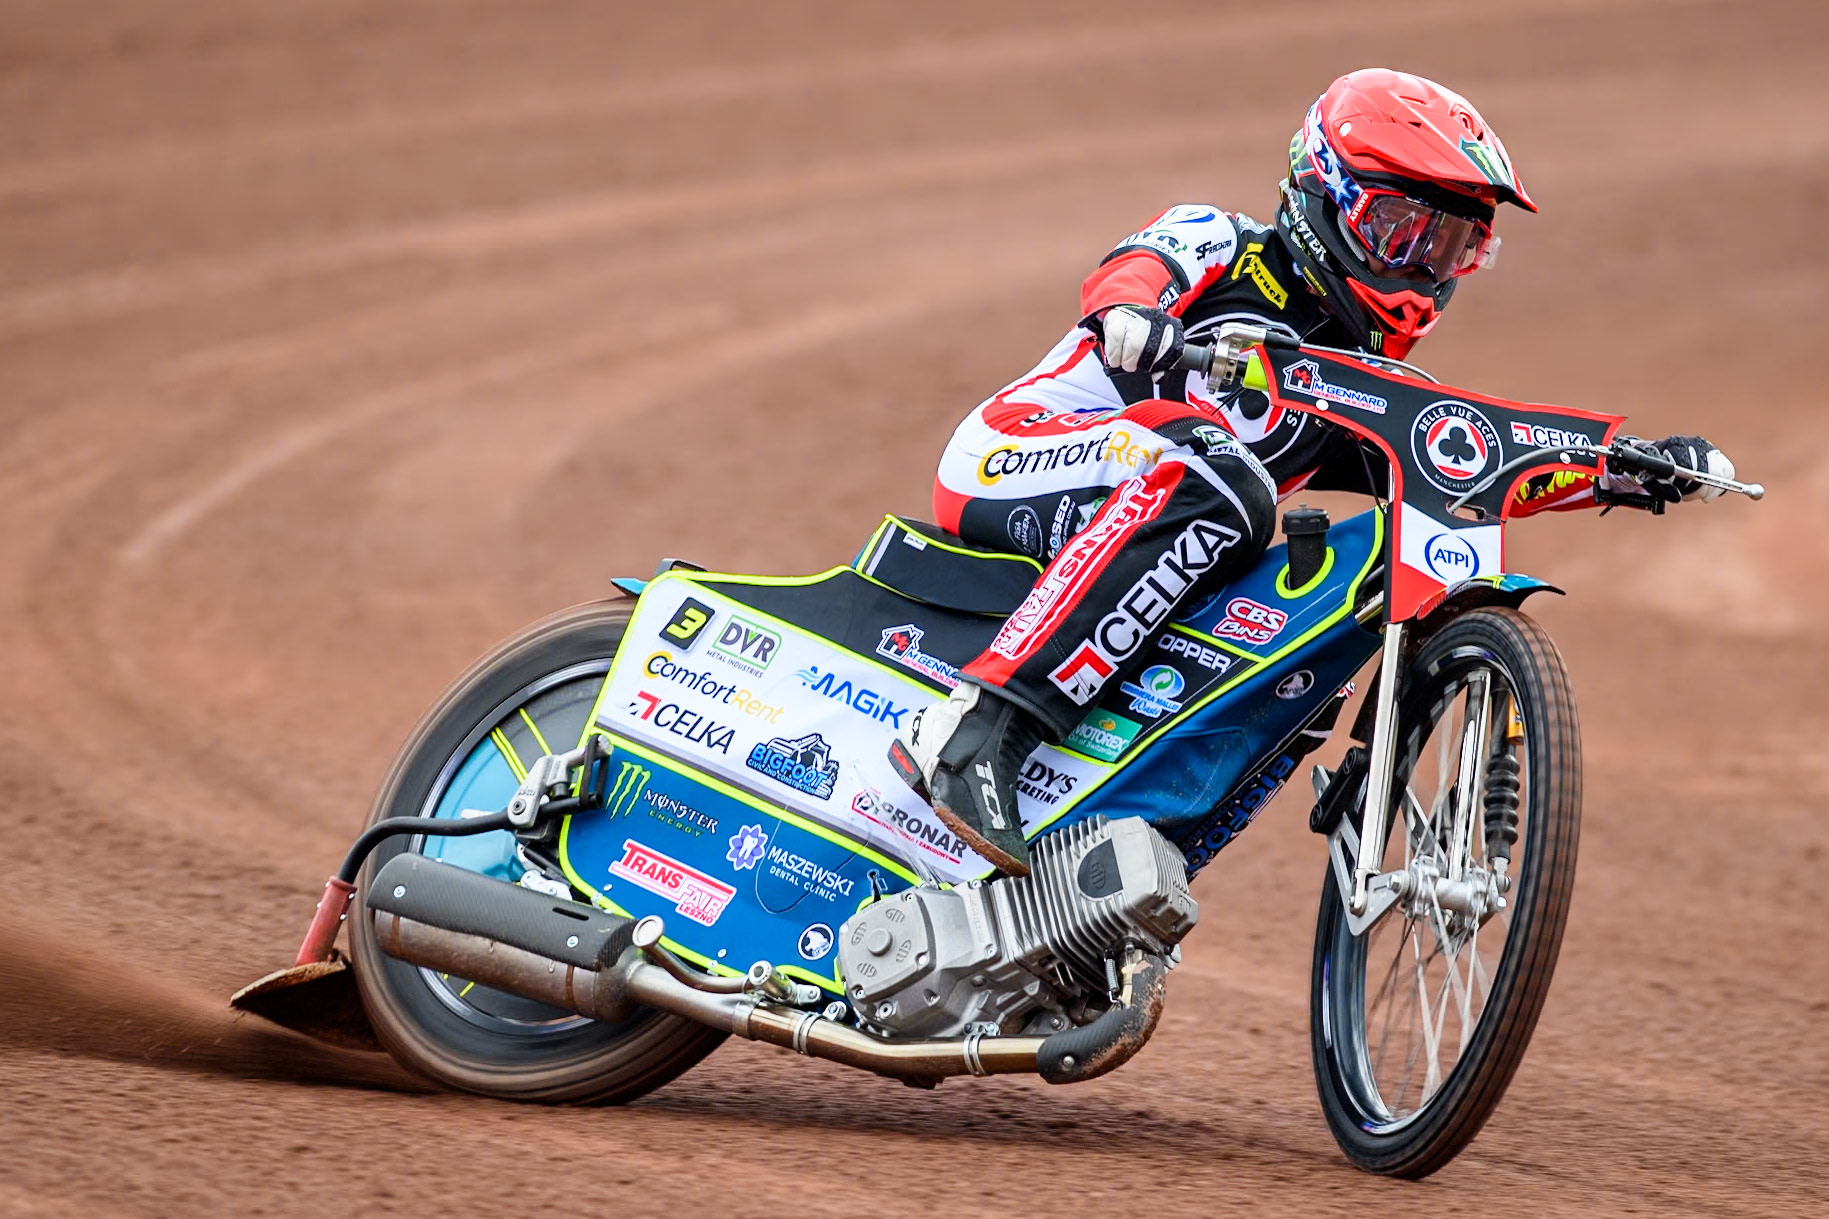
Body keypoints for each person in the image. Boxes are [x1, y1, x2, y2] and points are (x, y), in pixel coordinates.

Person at [888, 68, 1734, 878]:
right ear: (1321, 190)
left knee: (1308, 610)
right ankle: (970, 734)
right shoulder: (1221, 239)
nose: (1417, 268)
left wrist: (1615, 471)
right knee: (1219, 481)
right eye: (1400, 230)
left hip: (1165, 521)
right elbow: (1133, 267)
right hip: (1018, 451)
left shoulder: (1368, 383)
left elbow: (1467, 460)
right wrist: (1130, 316)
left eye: (1447, 246)